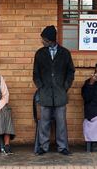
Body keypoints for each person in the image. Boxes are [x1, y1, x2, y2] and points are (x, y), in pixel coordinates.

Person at [33, 25, 75, 155]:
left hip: (60, 94)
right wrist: (41, 86)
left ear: (50, 39)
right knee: (44, 122)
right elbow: (35, 73)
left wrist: (65, 86)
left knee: (61, 122)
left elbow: (70, 72)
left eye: (44, 39)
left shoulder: (65, 53)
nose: (42, 41)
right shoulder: (40, 53)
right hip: (45, 94)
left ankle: (62, 147)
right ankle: (43, 147)